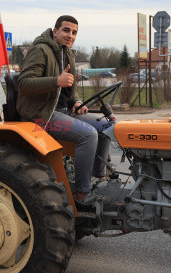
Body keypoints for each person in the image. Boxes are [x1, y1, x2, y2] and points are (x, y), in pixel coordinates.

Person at [16, 15, 110, 204]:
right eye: (66, 30)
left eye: (74, 32)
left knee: (106, 125)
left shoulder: (67, 52)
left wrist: (76, 101)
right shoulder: (41, 50)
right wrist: (55, 81)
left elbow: (69, 89)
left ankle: (99, 176)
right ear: (55, 31)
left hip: (63, 110)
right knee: (89, 134)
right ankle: (82, 193)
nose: (70, 35)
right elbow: (24, 84)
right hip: (42, 114)